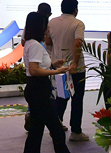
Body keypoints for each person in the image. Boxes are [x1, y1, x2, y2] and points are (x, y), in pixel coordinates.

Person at [23, 12, 70, 153]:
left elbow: (37, 66)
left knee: (36, 130)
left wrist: (53, 65)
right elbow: (34, 70)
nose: (48, 28)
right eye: (46, 25)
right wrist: (55, 72)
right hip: (39, 90)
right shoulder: (36, 45)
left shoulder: (31, 43)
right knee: (56, 129)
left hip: (36, 89)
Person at [48, 0, 88, 142]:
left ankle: (56, 126)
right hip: (75, 68)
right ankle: (76, 131)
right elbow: (78, 44)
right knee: (77, 99)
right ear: (75, 10)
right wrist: (75, 63)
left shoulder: (52, 22)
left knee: (61, 96)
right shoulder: (78, 23)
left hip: (59, 67)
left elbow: (48, 42)